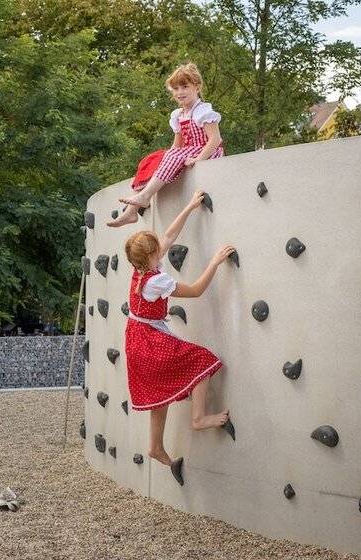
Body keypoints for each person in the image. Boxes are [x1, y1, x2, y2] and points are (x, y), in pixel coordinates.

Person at [124, 190, 235, 485]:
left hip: (135, 339)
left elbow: (169, 235)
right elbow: (197, 291)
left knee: (158, 394)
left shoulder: (139, 269)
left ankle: (156, 447)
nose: (163, 246)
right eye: (157, 248)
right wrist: (215, 261)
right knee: (203, 360)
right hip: (149, 339)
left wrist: (190, 205)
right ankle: (199, 418)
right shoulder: (158, 280)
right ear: (151, 255)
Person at [109, 63, 224, 227]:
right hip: (187, 152)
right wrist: (162, 160)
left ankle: (145, 196)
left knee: (172, 155)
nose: (180, 92)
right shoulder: (178, 115)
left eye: (185, 87)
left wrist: (198, 158)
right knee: (154, 159)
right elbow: (177, 144)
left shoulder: (203, 111)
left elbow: (215, 139)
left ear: (197, 87)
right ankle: (131, 212)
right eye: (176, 88)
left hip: (207, 150)